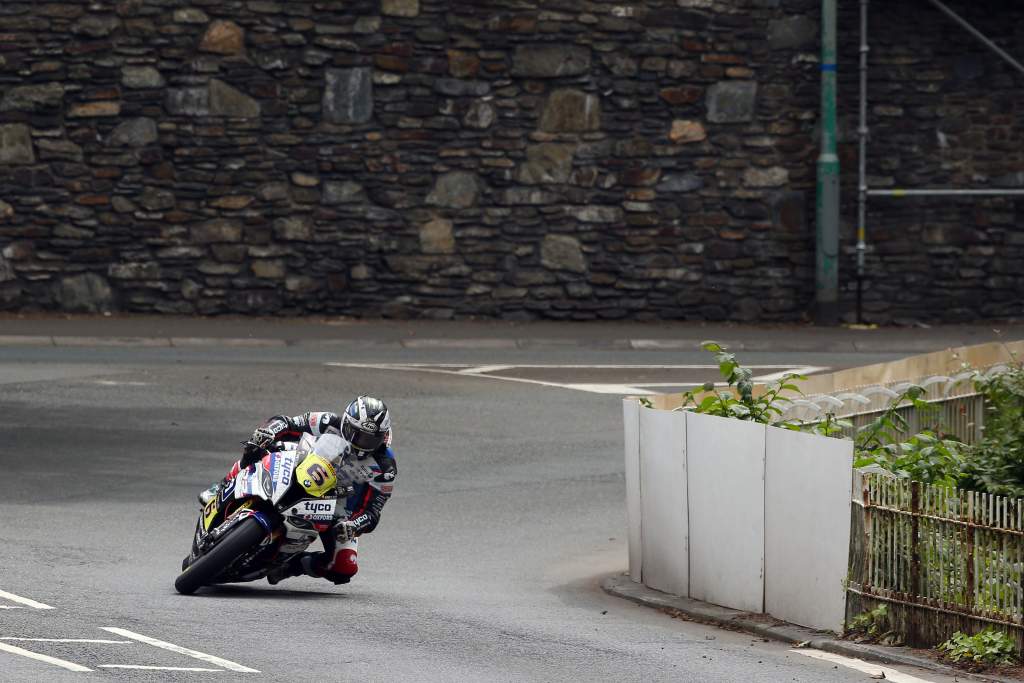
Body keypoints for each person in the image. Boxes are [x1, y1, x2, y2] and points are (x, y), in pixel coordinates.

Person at [199, 396, 397, 586]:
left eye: (370, 439)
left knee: (345, 567)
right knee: (256, 448)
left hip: (338, 506)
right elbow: (287, 422)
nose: (361, 443)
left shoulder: (385, 468)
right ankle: (223, 485)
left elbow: (372, 512)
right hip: (303, 464)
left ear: (382, 437)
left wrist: (353, 525)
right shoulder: (328, 421)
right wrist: (267, 432)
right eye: (358, 434)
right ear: (346, 423)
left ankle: (291, 566)